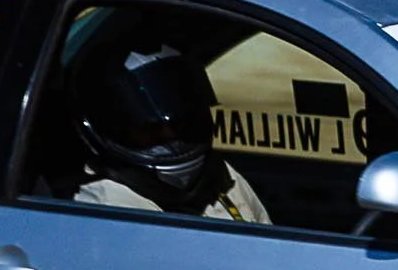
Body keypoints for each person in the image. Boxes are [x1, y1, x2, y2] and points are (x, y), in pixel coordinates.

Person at [69, 40, 269, 222]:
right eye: (150, 127)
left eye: (181, 121)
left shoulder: (220, 176)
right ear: (112, 130)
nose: (170, 135)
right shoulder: (108, 208)